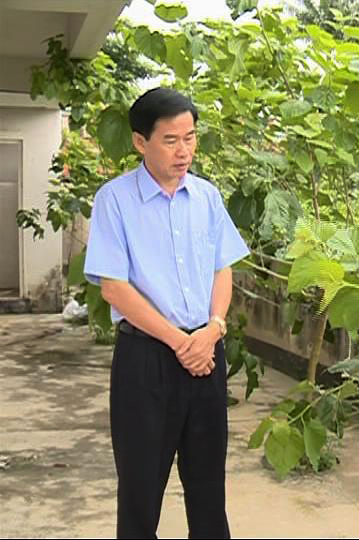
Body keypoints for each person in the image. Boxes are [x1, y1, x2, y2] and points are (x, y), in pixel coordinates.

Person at [84, 87, 249, 539]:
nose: (184, 152)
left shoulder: (208, 197)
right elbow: (115, 288)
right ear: (141, 142)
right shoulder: (115, 200)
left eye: (191, 138)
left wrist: (213, 329)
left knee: (208, 492)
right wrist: (181, 342)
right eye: (171, 140)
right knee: (140, 492)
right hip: (147, 362)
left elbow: (223, 268)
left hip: (206, 355)